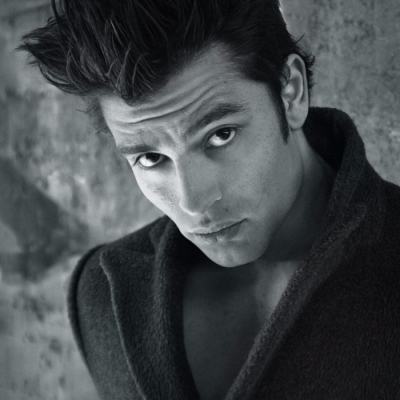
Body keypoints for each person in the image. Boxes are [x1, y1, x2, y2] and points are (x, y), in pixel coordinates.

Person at [19, 0, 400, 399]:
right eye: (150, 158)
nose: (193, 203)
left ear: (291, 93)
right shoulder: (103, 295)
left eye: (221, 135)